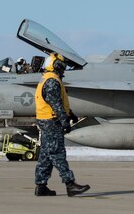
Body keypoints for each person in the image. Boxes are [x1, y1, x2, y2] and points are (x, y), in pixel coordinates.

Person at [34, 53, 89, 197]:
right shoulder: (52, 81)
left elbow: (58, 102)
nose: (64, 68)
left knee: (46, 154)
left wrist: (69, 114)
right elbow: (56, 104)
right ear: (57, 65)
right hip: (52, 122)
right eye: (62, 65)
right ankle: (70, 185)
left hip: (46, 121)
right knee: (58, 154)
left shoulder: (49, 79)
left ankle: (41, 186)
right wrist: (65, 122)